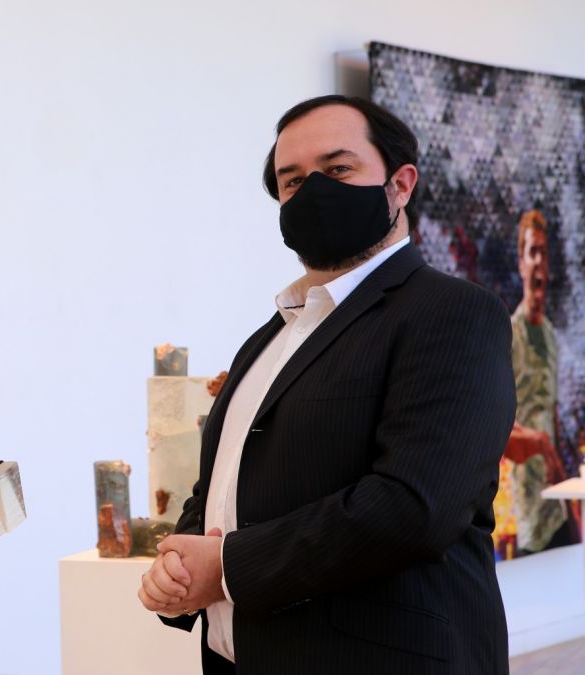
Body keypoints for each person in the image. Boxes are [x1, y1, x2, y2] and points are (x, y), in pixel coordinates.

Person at [137, 95, 514, 674]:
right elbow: (224, 480)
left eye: (339, 170)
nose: (313, 192)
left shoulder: (453, 314)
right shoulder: (272, 335)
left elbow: (415, 507)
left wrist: (228, 567)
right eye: (292, 182)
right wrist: (184, 566)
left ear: (400, 184)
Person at [495, 209, 572, 559]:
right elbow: (495, 423)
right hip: (522, 513)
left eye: (543, 252)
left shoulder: (552, 338)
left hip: (556, 506)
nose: (539, 261)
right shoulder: (509, 335)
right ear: (522, 264)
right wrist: (538, 443)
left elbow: (553, 414)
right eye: (532, 252)